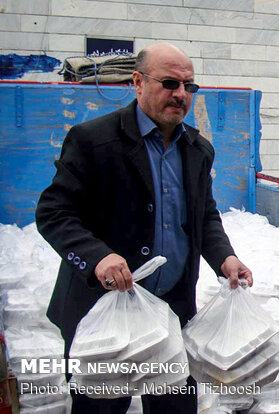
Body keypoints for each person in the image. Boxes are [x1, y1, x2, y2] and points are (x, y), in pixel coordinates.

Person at [35, 43, 252, 414]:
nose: (180, 94)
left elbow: (204, 216)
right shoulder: (93, 141)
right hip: (102, 313)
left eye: (189, 86)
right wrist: (98, 257)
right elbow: (54, 213)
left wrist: (225, 258)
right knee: (100, 408)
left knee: (175, 406)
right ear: (137, 82)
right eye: (169, 83)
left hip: (171, 311)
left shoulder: (198, 149)